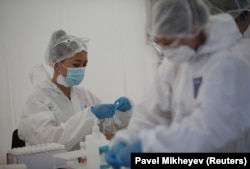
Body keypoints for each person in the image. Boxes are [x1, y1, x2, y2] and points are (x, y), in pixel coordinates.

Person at [105, 0, 250, 168]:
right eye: (160, 44)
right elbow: (151, 113)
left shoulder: (229, 61)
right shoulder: (175, 62)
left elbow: (210, 128)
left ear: (193, 29)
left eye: (169, 44)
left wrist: (147, 145)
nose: (166, 52)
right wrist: (127, 138)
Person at [18, 30, 133, 151]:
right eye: (76, 65)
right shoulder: (38, 101)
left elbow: (110, 128)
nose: (81, 69)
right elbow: (51, 141)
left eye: (85, 64)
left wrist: (123, 113)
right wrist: (89, 115)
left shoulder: (84, 96)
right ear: (56, 63)